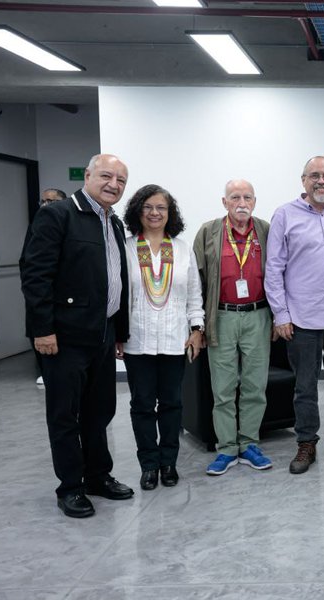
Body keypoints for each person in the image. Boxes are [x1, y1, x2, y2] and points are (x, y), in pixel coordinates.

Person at [21, 154, 133, 518]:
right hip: (64, 337)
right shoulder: (58, 215)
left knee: (99, 411)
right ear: (87, 176)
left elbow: (115, 282)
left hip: (101, 334)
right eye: (105, 176)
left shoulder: (112, 222)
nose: (113, 184)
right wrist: (43, 330)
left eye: (120, 180)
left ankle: (98, 475)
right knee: (65, 415)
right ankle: (70, 486)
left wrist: (118, 331)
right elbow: (36, 275)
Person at [265, 156, 324, 474]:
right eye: (315, 176)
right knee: (304, 386)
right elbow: (274, 267)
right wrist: (281, 314)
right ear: (303, 180)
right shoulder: (284, 214)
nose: (321, 181)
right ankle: (306, 443)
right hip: (302, 318)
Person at [121, 184, 204, 490]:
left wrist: (197, 330)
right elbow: (119, 296)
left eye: (161, 208)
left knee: (171, 403)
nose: (155, 213)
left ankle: (169, 462)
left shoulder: (182, 249)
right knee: (142, 405)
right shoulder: (126, 247)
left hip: (174, 340)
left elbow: (194, 294)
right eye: (148, 207)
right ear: (137, 211)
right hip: (137, 340)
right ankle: (149, 464)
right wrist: (118, 334)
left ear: (170, 214)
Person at [193, 179, 273, 476]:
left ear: (254, 201)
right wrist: (197, 325)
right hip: (222, 316)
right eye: (235, 197)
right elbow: (197, 281)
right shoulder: (208, 231)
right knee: (223, 388)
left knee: (255, 385)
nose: (242, 202)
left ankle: (249, 443)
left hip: (258, 315)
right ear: (224, 202)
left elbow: (278, 272)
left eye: (247, 197)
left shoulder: (265, 230)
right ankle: (226, 448)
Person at [22, 188, 68, 387]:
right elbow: (30, 267)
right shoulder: (36, 226)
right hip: (41, 300)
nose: (46, 204)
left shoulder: (69, 224)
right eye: (43, 201)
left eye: (52, 200)